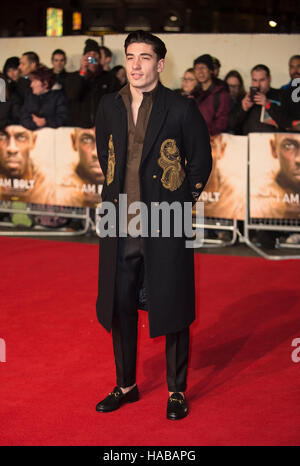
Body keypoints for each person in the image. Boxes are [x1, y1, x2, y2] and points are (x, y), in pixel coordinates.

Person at [94, 30, 212, 420]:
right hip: (119, 221)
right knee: (119, 305)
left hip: (167, 222)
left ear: (160, 64)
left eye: (145, 57)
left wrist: (178, 205)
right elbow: (104, 155)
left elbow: (200, 161)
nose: (136, 65)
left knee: (173, 304)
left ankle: (176, 390)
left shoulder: (180, 108)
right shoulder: (108, 107)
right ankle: (125, 384)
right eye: (130, 57)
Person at [65, 39, 120, 128]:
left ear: (99, 59)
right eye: (88, 55)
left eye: (95, 55)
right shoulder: (73, 77)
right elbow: (72, 95)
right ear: (83, 58)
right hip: (79, 128)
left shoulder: (110, 78)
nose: (92, 58)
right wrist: (82, 72)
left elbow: (116, 104)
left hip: (104, 128)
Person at [0, 124, 54, 204]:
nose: (12, 149)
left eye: (21, 137)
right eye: (2, 137)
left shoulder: (47, 187)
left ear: (33, 141)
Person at [229, 64, 286, 135]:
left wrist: (268, 104)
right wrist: (243, 109)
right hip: (250, 143)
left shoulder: (281, 95)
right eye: (254, 80)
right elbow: (231, 125)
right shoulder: (245, 98)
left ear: (269, 79)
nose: (258, 85)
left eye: (262, 80)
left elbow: (289, 123)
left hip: (272, 142)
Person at [56, 127, 104, 207]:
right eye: (86, 140)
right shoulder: (60, 188)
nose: (96, 152)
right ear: (74, 141)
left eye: (108, 139)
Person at [20, 66, 69, 130]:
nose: (31, 85)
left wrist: (45, 121)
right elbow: (23, 117)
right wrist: (35, 124)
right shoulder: (30, 97)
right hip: (33, 136)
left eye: (35, 81)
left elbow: (63, 118)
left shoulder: (58, 97)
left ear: (45, 84)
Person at [192, 54, 231, 135]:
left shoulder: (221, 94)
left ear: (211, 70)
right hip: (194, 139)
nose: (200, 72)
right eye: (196, 68)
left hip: (213, 140)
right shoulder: (194, 94)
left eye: (203, 67)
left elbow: (222, 122)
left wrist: (202, 133)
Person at [224, 70, 246, 135]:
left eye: (235, 86)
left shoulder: (244, 101)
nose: (232, 89)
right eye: (229, 86)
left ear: (240, 87)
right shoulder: (220, 101)